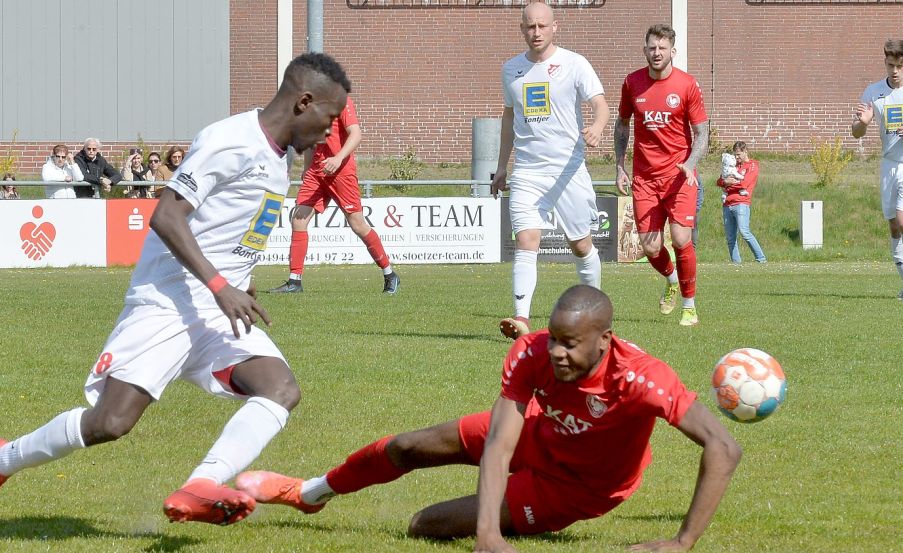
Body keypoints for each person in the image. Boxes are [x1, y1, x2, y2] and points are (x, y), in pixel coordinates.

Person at [0, 52, 352, 533]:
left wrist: (238, 284)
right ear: (303, 101)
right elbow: (166, 216)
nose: (331, 131)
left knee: (281, 389)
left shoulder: (275, 159)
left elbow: (234, 230)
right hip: (168, 302)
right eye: (330, 118)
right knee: (109, 424)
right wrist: (222, 285)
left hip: (217, 309)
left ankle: (201, 485)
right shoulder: (231, 140)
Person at [237, 285, 741, 553]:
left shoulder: (643, 378)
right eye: (554, 339)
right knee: (407, 447)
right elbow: (500, 443)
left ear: (604, 341)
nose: (558, 353)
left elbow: (724, 446)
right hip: (539, 437)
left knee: (424, 526)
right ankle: (309, 494)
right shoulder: (532, 352)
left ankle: (517, 516)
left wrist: (681, 542)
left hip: (578, 488)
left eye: (571, 344)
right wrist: (487, 537)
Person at [491, 2, 609, 340]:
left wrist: (598, 127)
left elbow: (600, 104)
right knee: (527, 240)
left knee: (581, 245)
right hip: (528, 170)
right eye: (530, 26)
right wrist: (501, 167)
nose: (536, 32)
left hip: (568, 171)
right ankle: (521, 319)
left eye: (542, 26)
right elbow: (509, 117)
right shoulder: (511, 69)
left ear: (555, 26)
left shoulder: (574, 64)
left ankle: (596, 312)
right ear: (522, 28)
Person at [615, 24, 710, 327]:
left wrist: (691, 161)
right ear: (645, 50)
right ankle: (671, 280)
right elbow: (622, 125)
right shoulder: (632, 83)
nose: (657, 53)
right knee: (650, 247)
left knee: (681, 238)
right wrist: (619, 165)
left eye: (662, 48)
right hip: (645, 179)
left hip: (680, 177)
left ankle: (689, 305)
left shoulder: (687, 85)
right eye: (652, 48)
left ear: (673, 51)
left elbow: (702, 132)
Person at [268, 96, 399, 294]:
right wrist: (307, 168)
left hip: (341, 172)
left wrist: (338, 159)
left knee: (357, 224)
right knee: (298, 220)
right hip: (317, 172)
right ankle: (295, 282)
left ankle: (390, 275)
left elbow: (356, 134)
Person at [853, 39, 903, 300]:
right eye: (890, 65)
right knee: (894, 225)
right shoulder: (873, 92)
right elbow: (855, 132)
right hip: (889, 164)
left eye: (899, 66)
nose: (894, 71)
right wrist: (862, 123)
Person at [717, 141, 766, 264]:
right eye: (735, 155)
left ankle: (761, 259)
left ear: (745, 152)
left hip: (741, 203)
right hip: (727, 204)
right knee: (730, 237)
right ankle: (736, 263)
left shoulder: (752, 165)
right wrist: (727, 183)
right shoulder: (733, 165)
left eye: (739, 154)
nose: (737, 157)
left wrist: (728, 184)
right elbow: (719, 181)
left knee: (744, 232)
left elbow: (744, 183)